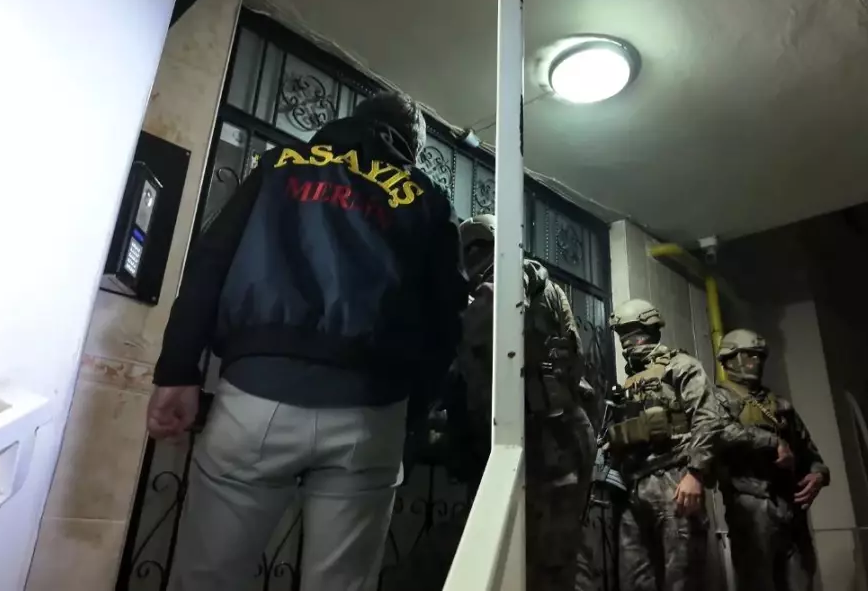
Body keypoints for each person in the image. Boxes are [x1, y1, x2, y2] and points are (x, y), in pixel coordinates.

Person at [145, 92, 467, 591]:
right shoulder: (426, 197)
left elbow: (211, 260)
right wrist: (411, 414)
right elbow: (446, 320)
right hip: (371, 411)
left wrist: (178, 370)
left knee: (208, 578)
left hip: (256, 397)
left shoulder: (279, 166)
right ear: (413, 148)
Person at [453, 213, 596, 591]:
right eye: (469, 250)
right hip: (533, 436)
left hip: (549, 437)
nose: (473, 257)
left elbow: (473, 331)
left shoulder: (516, 278)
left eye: (478, 248)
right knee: (532, 552)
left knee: (550, 556)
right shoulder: (531, 284)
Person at [606, 299, 720, 591]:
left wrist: (696, 473)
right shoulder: (629, 383)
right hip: (635, 486)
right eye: (621, 334)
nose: (626, 341)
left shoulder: (681, 366)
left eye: (630, 332)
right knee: (634, 580)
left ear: (649, 328)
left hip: (675, 479)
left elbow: (708, 418)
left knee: (683, 578)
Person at [704, 329, 829, 591]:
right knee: (758, 583)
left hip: (791, 508)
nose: (756, 362)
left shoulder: (780, 405)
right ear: (728, 360)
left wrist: (818, 474)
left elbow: (808, 451)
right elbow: (717, 433)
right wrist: (771, 441)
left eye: (759, 356)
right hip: (750, 506)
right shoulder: (716, 399)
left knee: (801, 581)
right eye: (748, 355)